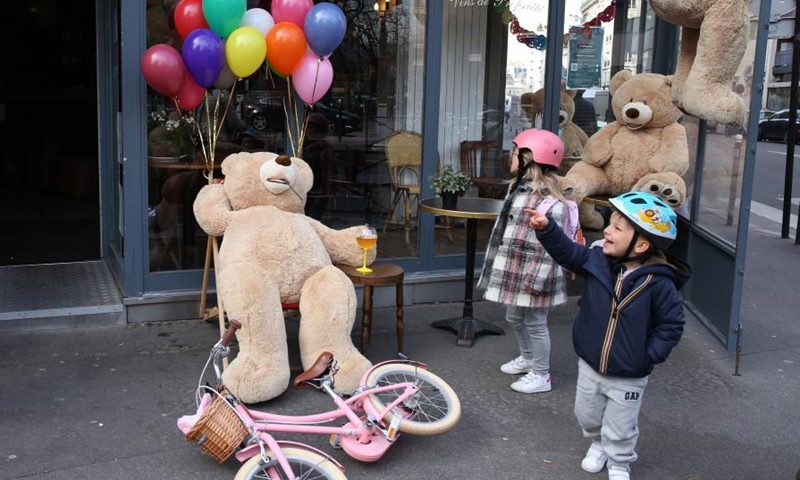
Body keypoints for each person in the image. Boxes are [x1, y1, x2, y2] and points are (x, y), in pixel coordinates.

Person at [526, 191, 691, 480]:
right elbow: (569, 253)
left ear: (640, 245)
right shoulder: (598, 262)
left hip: (630, 373)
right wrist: (548, 230)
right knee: (586, 416)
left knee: (621, 424)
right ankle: (598, 443)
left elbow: (671, 325)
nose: (606, 230)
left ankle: (619, 462)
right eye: (609, 224)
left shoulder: (660, 283)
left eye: (616, 228)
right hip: (590, 364)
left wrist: (648, 356)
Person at [477, 129, 580, 394]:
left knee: (535, 321)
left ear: (529, 158)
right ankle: (528, 358)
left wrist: (536, 281)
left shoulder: (551, 203)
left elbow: (550, 249)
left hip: (535, 274)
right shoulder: (517, 190)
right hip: (516, 270)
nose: (510, 156)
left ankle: (541, 375)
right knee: (514, 316)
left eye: (514, 152)